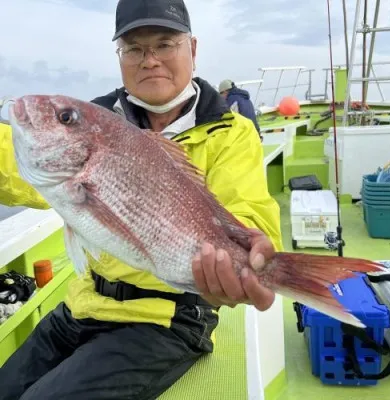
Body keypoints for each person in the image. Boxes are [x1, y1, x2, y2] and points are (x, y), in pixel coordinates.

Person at [0, 0, 283, 398]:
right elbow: (21, 166)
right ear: (120, 56)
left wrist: (252, 258)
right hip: (82, 305)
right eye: (134, 48)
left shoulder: (230, 131)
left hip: (166, 319)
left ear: (193, 49)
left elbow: (249, 211)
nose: (150, 60)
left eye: (164, 44)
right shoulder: (97, 121)